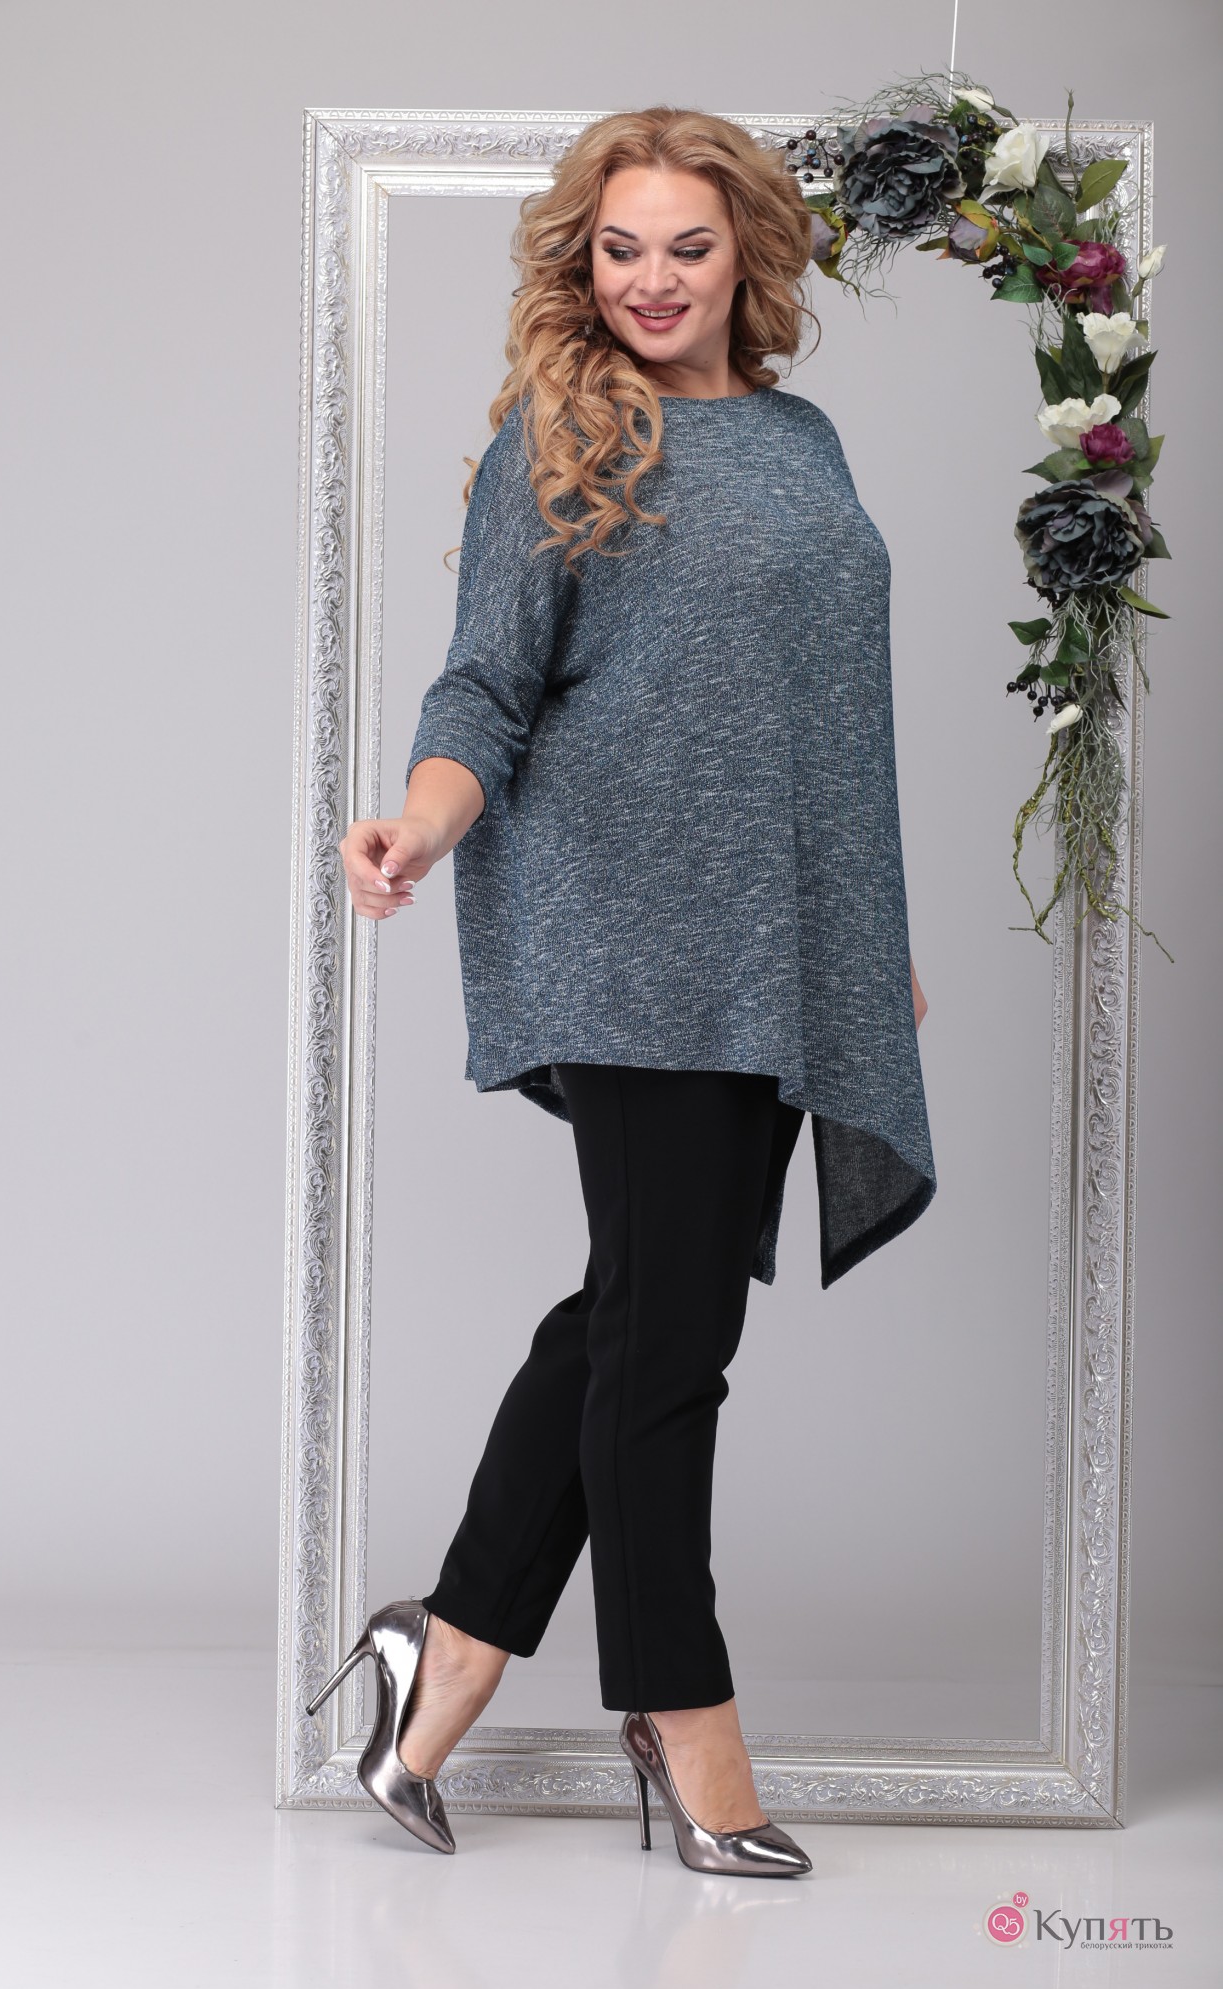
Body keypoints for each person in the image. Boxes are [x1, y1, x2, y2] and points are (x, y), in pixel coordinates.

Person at [308, 104, 936, 1877]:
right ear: (579, 262)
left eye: (687, 246)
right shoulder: (561, 435)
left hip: (770, 937)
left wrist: (858, 933)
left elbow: (829, 719)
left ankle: (441, 1655)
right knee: (670, 1342)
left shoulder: (802, 439)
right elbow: (483, 686)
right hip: (622, 921)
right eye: (618, 248)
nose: (652, 280)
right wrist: (420, 823)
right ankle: (683, 1716)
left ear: (749, 257)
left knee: (637, 1311)